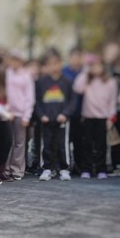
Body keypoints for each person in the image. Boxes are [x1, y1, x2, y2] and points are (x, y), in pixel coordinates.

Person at [73, 55, 117, 180]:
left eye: (98, 65)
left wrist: (111, 118)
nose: (96, 68)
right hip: (88, 117)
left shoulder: (110, 82)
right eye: (93, 66)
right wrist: (85, 71)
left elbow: (112, 101)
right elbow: (77, 88)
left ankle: (101, 169)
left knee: (101, 145)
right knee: (87, 144)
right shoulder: (86, 80)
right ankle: (86, 169)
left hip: (103, 117)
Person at [36, 52, 77, 181]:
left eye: (56, 64)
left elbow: (73, 100)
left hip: (62, 120)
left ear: (61, 64)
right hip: (46, 119)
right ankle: (47, 168)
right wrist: (41, 115)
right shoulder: (41, 82)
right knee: (46, 144)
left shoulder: (67, 81)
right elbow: (37, 101)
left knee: (62, 144)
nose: (53, 67)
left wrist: (65, 114)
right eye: (50, 64)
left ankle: (64, 169)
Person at [5, 50, 35, 181]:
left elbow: (29, 97)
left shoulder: (26, 76)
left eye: (17, 60)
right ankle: (5, 169)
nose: (14, 63)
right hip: (7, 113)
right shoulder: (6, 73)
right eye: (12, 60)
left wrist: (26, 115)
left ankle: (17, 170)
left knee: (19, 143)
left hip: (21, 113)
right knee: (7, 142)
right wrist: (5, 111)